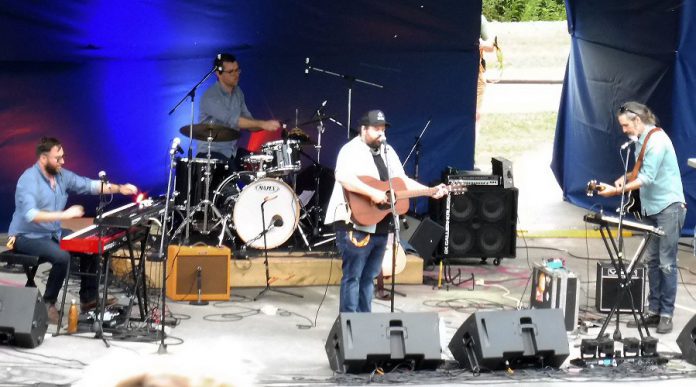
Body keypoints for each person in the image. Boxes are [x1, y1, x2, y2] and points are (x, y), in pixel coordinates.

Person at [325, 110, 447, 313]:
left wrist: (429, 191)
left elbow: (402, 180)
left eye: (383, 129)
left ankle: (365, 320)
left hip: (381, 222)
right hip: (354, 221)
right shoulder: (351, 150)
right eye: (376, 129)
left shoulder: (387, 151)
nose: (381, 134)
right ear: (363, 129)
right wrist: (372, 193)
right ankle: (349, 324)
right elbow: (343, 176)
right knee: (353, 276)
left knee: (369, 276)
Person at [7, 137, 138, 324]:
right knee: (62, 257)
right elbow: (31, 215)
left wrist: (119, 188)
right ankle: (48, 303)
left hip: (52, 233)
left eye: (63, 157)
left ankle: (89, 298)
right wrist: (64, 215)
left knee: (89, 243)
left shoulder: (61, 176)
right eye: (57, 158)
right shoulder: (28, 180)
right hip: (25, 236)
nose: (62, 162)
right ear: (43, 159)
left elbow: (89, 185)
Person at [598, 101, 686, 333]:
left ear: (638, 120)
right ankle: (654, 310)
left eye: (626, 125)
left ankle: (666, 313)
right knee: (652, 261)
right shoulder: (642, 141)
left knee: (666, 263)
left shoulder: (657, 141)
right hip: (650, 208)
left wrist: (617, 191)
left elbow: (647, 178)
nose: (624, 130)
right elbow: (641, 170)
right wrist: (625, 177)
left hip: (668, 207)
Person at [196, 53, 280, 170]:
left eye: (237, 70)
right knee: (230, 171)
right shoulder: (210, 96)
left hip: (232, 154)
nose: (236, 75)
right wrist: (263, 124)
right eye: (231, 72)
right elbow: (233, 120)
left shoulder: (238, 92)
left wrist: (269, 125)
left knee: (259, 165)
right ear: (218, 74)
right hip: (210, 155)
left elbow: (249, 122)